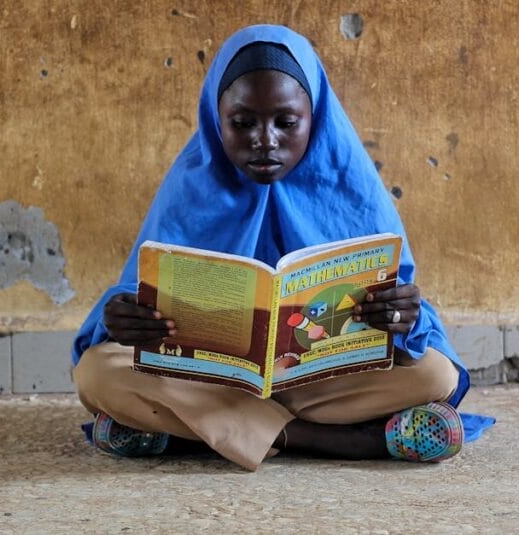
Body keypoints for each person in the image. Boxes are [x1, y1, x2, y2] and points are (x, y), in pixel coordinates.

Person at [72, 24, 493, 471]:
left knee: (434, 373)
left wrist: (401, 319)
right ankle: (332, 440)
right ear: (217, 120)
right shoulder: (189, 188)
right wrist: (122, 319)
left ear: (316, 117)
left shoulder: (354, 188)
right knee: (98, 373)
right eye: (243, 122)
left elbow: (407, 332)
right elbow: (130, 303)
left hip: (315, 383)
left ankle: (198, 430)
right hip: (215, 380)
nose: (266, 140)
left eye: (286, 122)